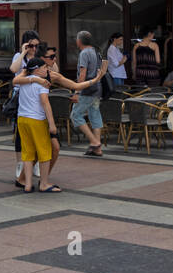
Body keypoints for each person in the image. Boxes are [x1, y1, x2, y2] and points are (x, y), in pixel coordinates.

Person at [14, 46, 109, 188]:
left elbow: (75, 85)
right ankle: (36, 181)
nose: (54, 59)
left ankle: (34, 181)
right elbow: (16, 80)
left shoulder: (52, 75)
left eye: (54, 56)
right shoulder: (29, 72)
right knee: (40, 150)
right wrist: (36, 80)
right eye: (51, 57)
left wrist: (95, 79)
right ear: (41, 60)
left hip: (39, 116)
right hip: (30, 116)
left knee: (52, 149)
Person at [14, 54, 61, 193]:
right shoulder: (42, 83)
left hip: (22, 119)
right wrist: (52, 124)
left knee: (28, 152)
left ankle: (28, 184)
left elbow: (15, 80)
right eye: (44, 67)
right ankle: (44, 184)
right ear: (37, 69)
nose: (47, 69)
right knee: (44, 152)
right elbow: (45, 103)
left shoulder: (24, 80)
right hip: (37, 120)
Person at [10, 31, 43, 186]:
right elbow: (13, 69)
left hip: (37, 97)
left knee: (37, 130)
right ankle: (20, 163)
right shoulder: (19, 56)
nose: (34, 48)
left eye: (37, 45)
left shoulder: (38, 57)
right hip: (21, 98)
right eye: (31, 45)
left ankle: (34, 162)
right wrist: (23, 52)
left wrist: (46, 56)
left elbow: (54, 69)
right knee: (20, 133)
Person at [71, 30, 105, 155]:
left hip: (87, 89)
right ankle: (98, 148)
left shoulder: (84, 53)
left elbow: (82, 75)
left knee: (75, 115)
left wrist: (77, 92)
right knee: (94, 114)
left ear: (79, 41)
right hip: (97, 88)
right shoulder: (97, 52)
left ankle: (94, 142)